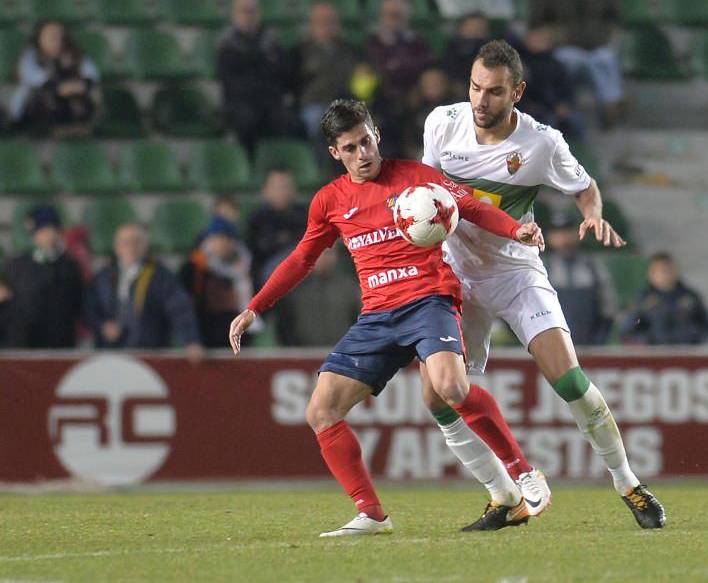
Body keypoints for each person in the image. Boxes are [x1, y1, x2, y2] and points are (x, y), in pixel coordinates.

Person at [228, 99, 549, 536]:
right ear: (334, 154)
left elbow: (471, 207)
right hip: (377, 315)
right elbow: (303, 258)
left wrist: (517, 230)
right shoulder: (330, 202)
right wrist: (254, 307)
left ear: (376, 135)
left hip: (429, 300)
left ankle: (523, 472)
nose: (363, 154)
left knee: (451, 387)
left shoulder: (417, 179)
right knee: (321, 411)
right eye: (351, 148)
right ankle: (371, 514)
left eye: (367, 141)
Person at [421, 40, 665, 529]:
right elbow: (428, 194)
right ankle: (504, 495)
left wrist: (592, 216)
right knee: (436, 397)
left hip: (514, 271)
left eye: (493, 92)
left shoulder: (541, 144)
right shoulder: (440, 124)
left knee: (570, 379)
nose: (480, 101)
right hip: (455, 274)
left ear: (518, 91)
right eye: (474, 87)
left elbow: (585, 188)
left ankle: (628, 483)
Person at [528, 0, 625, 126]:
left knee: (605, 59)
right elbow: (537, 23)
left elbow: (613, 17)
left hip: (595, 43)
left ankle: (611, 106)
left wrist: (607, 36)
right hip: (563, 45)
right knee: (574, 60)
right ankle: (589, 103)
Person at [86, 223, 204, 361]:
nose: (131, 247)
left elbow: (179, 308)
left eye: (136, 241)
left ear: (145, 246)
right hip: (110, 356)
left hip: (149, 357)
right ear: (117, 247)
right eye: (125, 242)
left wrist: (191, 341)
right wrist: (103, 325)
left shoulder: (160, 277)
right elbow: (90, 307)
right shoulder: (103, 278)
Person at [217, 0, 304, 157]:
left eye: (252, 11)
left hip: (270, 103)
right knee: (246, 122)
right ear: (234, 15)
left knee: (294, 124)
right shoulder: (226, 46)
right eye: (243, 11)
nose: (248, 16)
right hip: (242, 104)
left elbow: (283, 74)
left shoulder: (271, 42)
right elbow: (233, 84)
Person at [1, 205, 84, 348]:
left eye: (49, 230)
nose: (46, 235)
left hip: (61, 340)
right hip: (25, 341)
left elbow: (77, 302)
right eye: (41, 231)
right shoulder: (17, 266)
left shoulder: (70, 266)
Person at [9, 20, 99, 136]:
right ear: (39, 38)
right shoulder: (31, 55)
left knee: (79, 101)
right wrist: (59, 88)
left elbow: (91, 75)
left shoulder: (74, 55)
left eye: (58, 36)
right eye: (50, 36)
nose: (55, 40)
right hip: (36, 108)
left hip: (68, 105)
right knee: (48, 97)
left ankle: (76, 130)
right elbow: (33, 79)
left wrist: (80, 86)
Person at [544, 210, 617, 345]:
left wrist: (599, 340)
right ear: (550, 237)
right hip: (553, 349)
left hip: (589, 347)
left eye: (568, 232)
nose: (563, 238)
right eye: (558, 233)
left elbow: (608, 308)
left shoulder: (593, 267)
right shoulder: (543, 269)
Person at [183, 216, 255, 349]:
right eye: (217, 238)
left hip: (241, 338)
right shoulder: (194, 268)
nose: (222, 243)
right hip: (206, 337)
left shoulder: (247, 267)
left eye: (226, 239)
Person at [293, 2, 362, 140]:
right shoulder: (299, 52)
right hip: (313, 105)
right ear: (311, 26)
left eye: (331, 22)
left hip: (344, 104)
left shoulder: (349, 51)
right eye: (321, 23)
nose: (326, 27)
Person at [274, 244, 361, 346]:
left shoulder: (348, 287)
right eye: (320, 253)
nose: (325, 258)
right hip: (303, 355)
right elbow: (284, 326)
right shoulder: (294, 289)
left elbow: (359, 321)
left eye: (330, 253)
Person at [621, 252, 708, 346]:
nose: (664, 275)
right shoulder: (643, 299)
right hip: (654, 355)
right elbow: (629, 329)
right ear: (651, 273)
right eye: (660, 271)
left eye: (668, 270)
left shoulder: (689, 297)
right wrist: (649, 339)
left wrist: (692, 337)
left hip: (685, 354)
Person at [365, 0, 435, 120]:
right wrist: (407, 64)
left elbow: (428, 62)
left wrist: (399, 64)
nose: (395, 20)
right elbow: (378, 66)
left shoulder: (417, 40)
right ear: (382, 17)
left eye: (399, 15)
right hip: (383, 91)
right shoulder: (374, 41)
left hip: (415, 89)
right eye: (391, 15)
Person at [518, 26, 587, 144]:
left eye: (542, 40)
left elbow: (566, 87)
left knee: (577, 121)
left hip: (556, 108)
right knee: (548, 125)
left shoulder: (556, 64)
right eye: (534, 39)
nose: (538, 43)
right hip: (533, 109)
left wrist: (565, 104)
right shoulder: (520, 64)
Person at [246, 168, 308, 288]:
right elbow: (261, 248)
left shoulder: (304, 215)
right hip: (268, 275)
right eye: (278, 187)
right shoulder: (258, 219)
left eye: (287, 187)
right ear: (265, 191)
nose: (283, 192)